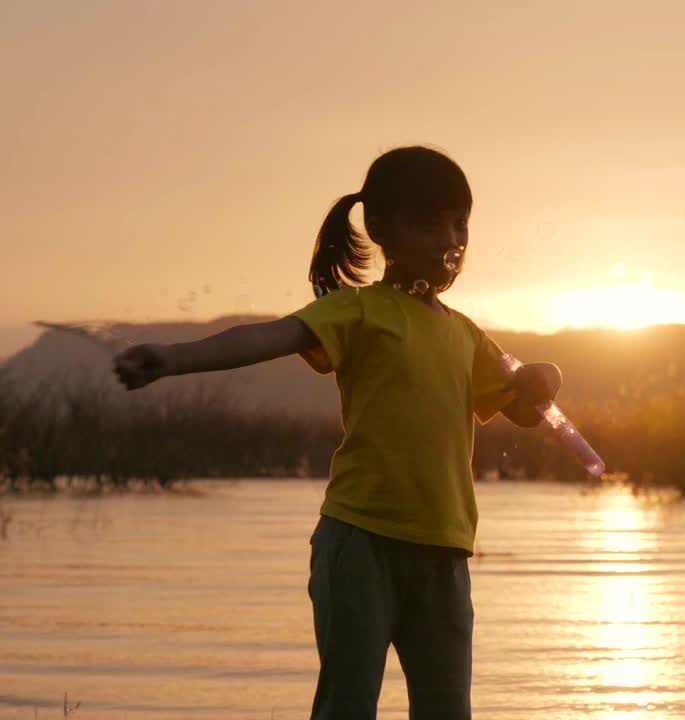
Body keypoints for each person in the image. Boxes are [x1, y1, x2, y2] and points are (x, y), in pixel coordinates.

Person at [113, 146, 561, 720]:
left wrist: (545, 376)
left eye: (461, 222)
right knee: (348, 705)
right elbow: (263, 338)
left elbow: (524, 405)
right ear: (381, 229)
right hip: (359, 543)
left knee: (448, 710)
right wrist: (172, 357)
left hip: (443, 552)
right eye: (431, 222)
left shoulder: (468, 336)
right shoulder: (358, 312)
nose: (452, 237)